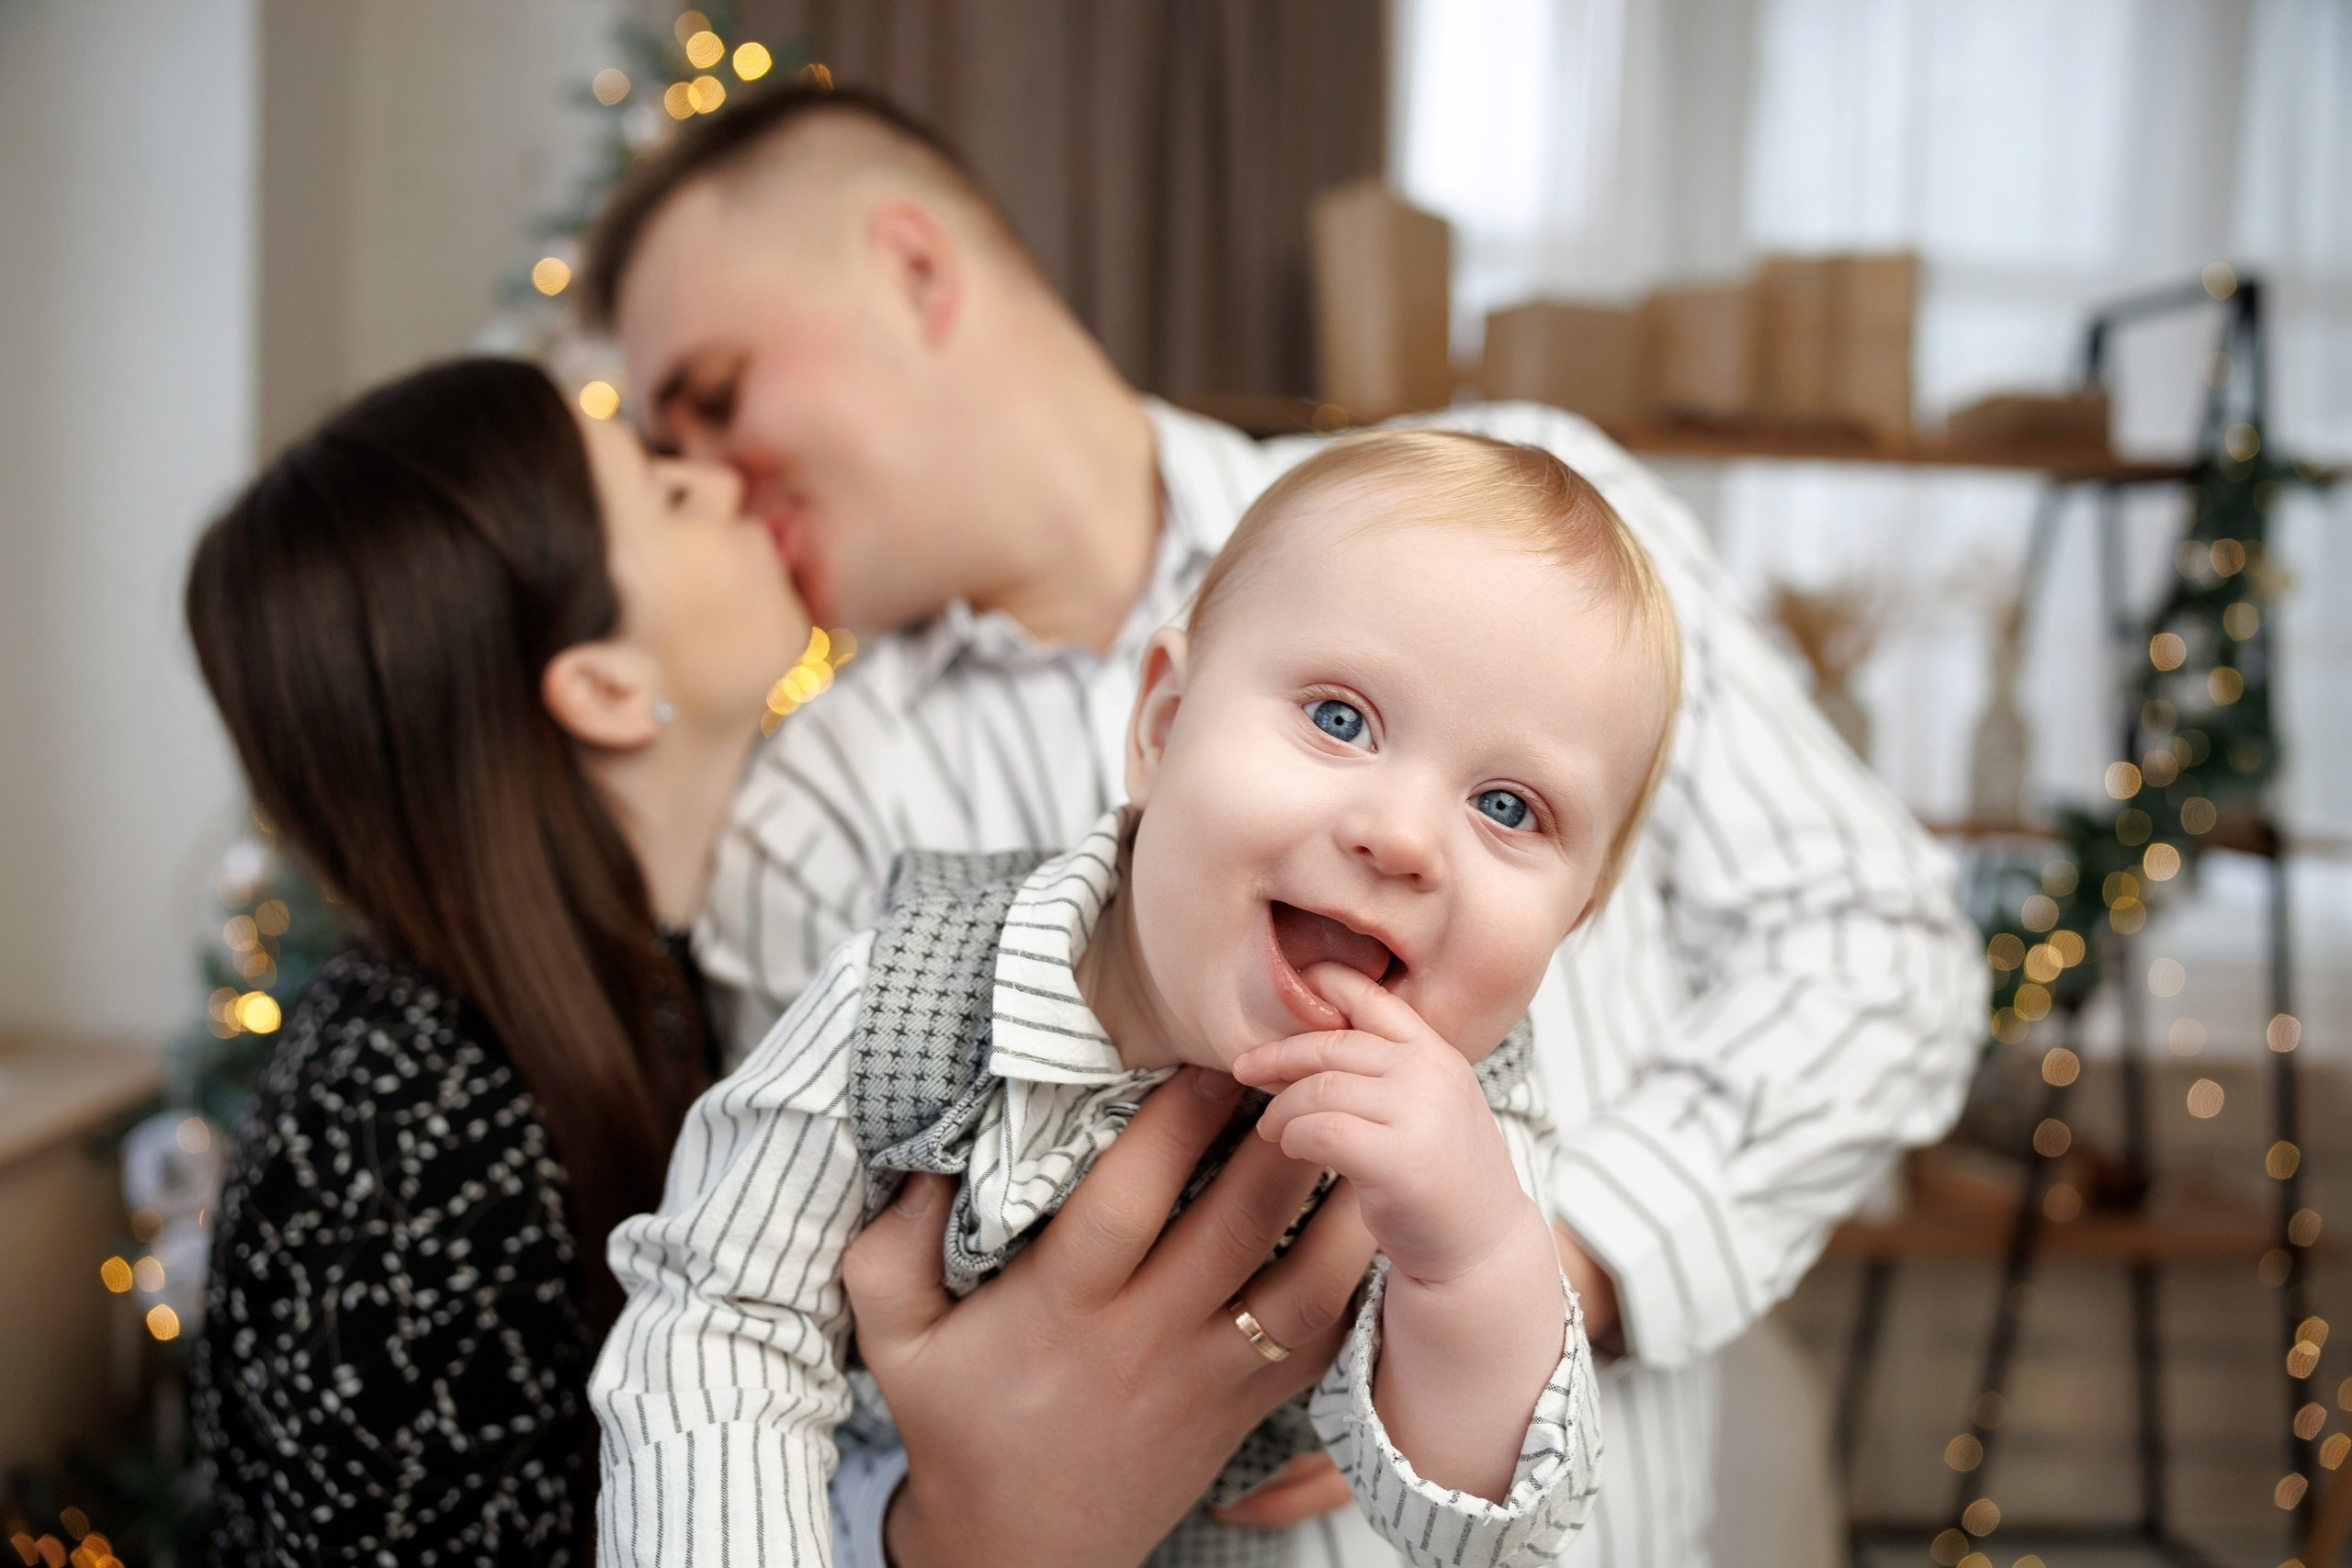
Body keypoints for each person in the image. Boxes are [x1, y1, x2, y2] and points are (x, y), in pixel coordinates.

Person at [583, 85, 1985, 1568]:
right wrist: (977, 1517)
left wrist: (1534, 1269)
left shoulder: (1547, 538)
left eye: (718, 395)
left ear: (917, 271)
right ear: (1163, 718)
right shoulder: (815, 820)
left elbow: (1880, 944)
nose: (715, 485)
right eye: (1334, 720)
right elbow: (780, 1334)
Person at [593, 430, 1684, 1566]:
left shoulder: (1468, 1127)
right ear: (1162, 725)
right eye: (1340, 719)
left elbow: (1477, 1526)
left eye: (1507, 807)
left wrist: (1468, 1260)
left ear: (1573, 921)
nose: (1403, 837)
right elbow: (718, 1323)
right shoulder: (907, 998)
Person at [185, 357, 810, 1565]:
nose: (723, 481)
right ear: (608, 686)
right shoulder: (407, 1140)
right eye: (668, 494)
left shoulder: (664, 975)